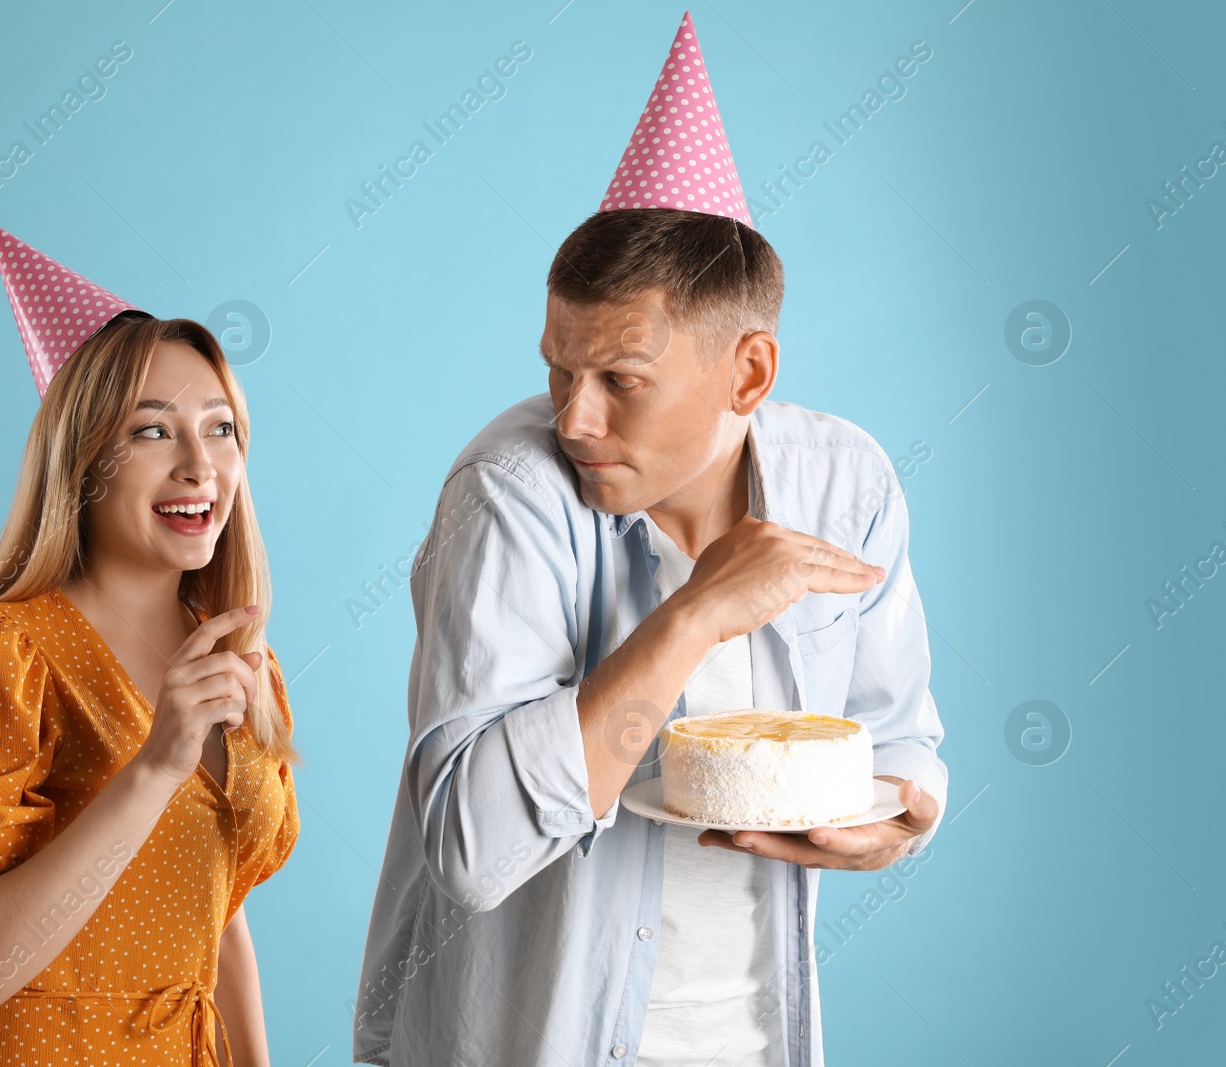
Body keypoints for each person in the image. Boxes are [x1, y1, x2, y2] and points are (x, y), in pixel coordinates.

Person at [353, 14, 946, 1067]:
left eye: (620, 380)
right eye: (556, 368)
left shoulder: (846, 481)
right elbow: (470, 846)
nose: (574, 417)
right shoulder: (509, 494)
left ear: (749, 375)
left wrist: (899, 822)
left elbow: (896, 739)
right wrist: (695, 613)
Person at [0, 223, 299, 1067]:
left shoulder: (240, 657)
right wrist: (155, 767)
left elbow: (218, 910)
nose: (201, 466)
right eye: (153, 431)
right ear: (83, 459)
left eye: (221, 428)